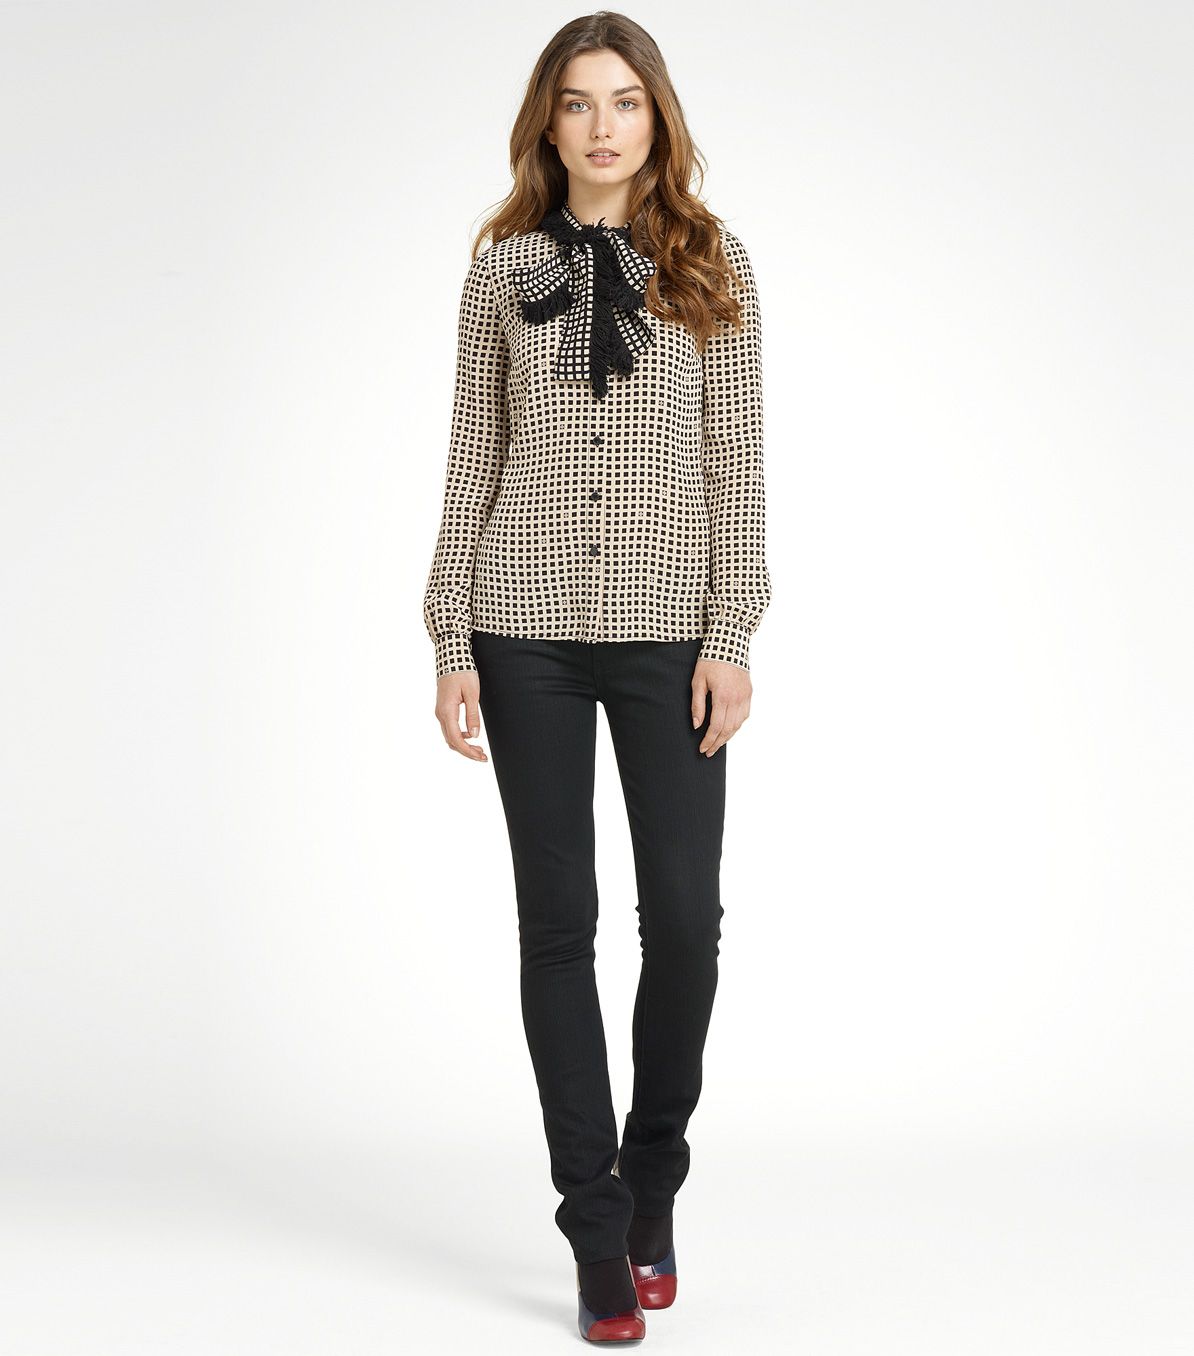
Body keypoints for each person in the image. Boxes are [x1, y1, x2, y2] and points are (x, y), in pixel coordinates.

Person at [423, 12, 771, 1342]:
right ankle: (592, 1223)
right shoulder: (503, 270)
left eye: (625, 100)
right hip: (522, 633)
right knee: (556, 921)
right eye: (577, 102)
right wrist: (450, 636)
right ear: (548, 123)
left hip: (669, 637)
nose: (603, 125)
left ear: (657, 116)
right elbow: (472, 459)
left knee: (684, 920)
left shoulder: (713, 264)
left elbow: (736, 465)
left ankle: (653, 1179)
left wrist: (730, 632)